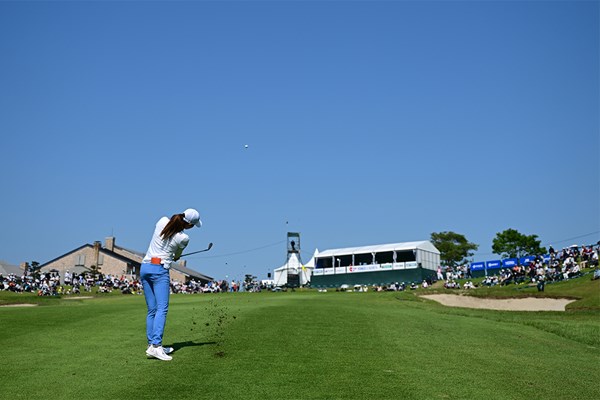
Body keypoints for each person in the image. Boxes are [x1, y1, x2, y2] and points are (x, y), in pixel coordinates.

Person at [141, 208, 202, 361]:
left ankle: (152, 345)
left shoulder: (162, 220)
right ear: (188, 225)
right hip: (159, 270)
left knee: (152, 310)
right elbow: (177, 255)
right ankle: (156, 346)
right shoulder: (183, 238)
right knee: (162, 308)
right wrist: (174, 256)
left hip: (145, 267)